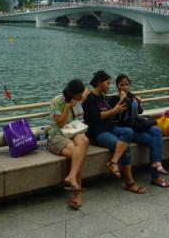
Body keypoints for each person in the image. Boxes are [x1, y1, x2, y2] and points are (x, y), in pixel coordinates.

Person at [82, 71, 146, 194]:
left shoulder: (103, 97)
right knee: (125, 148)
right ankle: (130, 183)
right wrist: (115, 110)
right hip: (98, 132)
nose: (109, 86)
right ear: (100, 83)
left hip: (110, 128)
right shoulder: (90, 99)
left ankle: (113, 162)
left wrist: (121, 102)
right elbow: (95, 117)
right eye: (108, 83)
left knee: (128, 132)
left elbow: (112, 113)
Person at [115, 74, 169, 188]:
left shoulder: (132, 96)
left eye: (127, 84)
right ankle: (155, 176)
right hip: (129, 130)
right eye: (122, 85)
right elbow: (116, 118)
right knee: (153, 142)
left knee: (157, 131)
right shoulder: (116, 99)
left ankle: (157, 163)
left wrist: (139, 103)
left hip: (139, 125)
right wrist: (121, 101)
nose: (124, 87)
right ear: (117, 86)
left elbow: (139, 112)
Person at [48, 79, 90, 210]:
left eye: (81, 95)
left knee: (84, 141)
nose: (81, 98)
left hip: (74, 130)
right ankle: (77, 194)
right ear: (72, 94)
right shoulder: (57, 101)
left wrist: (84, 94)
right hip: (58, 133)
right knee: (78, 154)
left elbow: (88, 91)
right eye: (78, 95)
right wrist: (68, 106)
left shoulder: (80, 96)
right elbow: (60, 124)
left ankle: (72, 177)